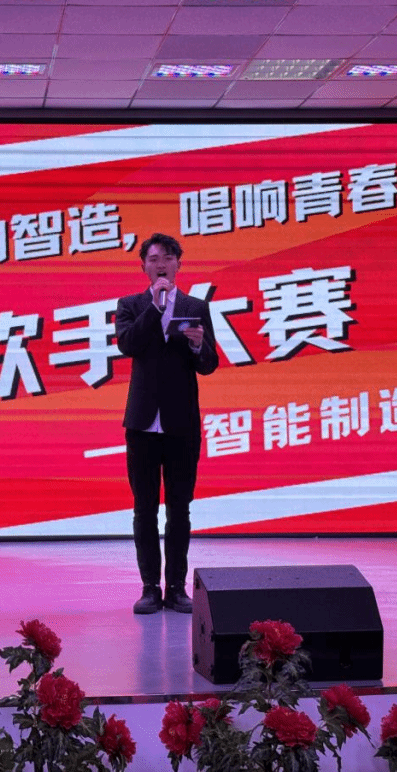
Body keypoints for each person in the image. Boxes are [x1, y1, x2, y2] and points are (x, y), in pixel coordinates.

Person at [115, 233, 218, 615]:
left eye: (169, 258)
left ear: (178, 264)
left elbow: (209, 364)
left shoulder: (195, 307)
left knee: (179, 509)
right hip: (142, 424)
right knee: (144, 509)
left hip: (181, 425)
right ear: (144, 266)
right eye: (155, 258)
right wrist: (156, 308)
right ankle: (149, 588)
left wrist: (197, 344)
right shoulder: (131, 305)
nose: (162, 264)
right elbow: (128, 344)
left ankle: (176, 588)